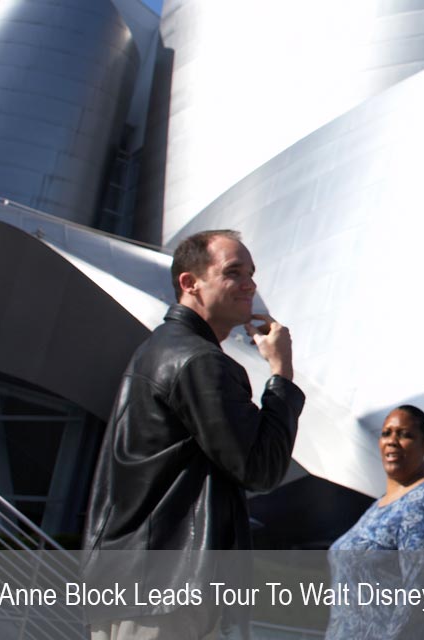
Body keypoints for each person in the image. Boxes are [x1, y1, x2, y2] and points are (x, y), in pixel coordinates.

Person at [83, 229, 305, 640]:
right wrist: (281, 375)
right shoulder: (201, 362)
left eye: (252, 274)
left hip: (135, 585)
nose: (250, 285)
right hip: (166, 592)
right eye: (234, 272)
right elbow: (261, 468)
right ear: (190, 283)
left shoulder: (159, 349)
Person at [326, 404, 424, 640]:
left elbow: (419, 598)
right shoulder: (375, 508)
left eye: (405, 434)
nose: (392, 441)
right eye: (386, 433)